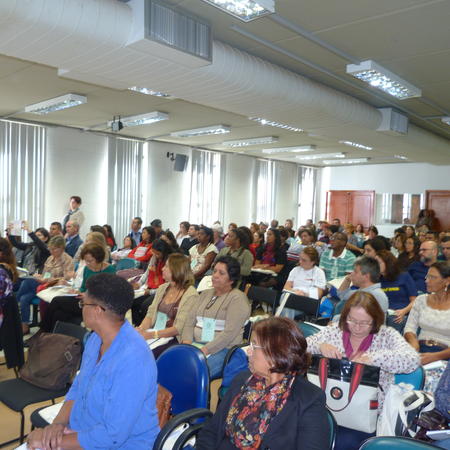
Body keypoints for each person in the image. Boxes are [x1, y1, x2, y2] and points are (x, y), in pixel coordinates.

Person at [27, 273, 159, 450]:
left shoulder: (133, 359)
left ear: (97, 310)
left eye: (83, 303)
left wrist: (50, 442)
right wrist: (56, 426)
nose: (80, 308)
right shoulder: (95, 339)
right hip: (86, 431)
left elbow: (112, 436)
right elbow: (79, 387)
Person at [196, 317, 329, 450]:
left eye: (254, 346)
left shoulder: (309, 399)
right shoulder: (242, 380)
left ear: (276, 354)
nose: (248, 351)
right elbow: (211, 431)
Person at [307, 291, 419, 449]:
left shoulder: (386, 335)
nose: (357, 327)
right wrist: (319, 346)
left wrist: (374, 358)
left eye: (365, 322)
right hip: (328, 406)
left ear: (376, 320)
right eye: (352, 320)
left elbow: (413, 360)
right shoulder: (334, 332)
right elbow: (301, 346)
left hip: (365, 416)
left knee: (345, 443)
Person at [182, 256, 251, 379]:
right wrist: (186, 342)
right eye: (214, 271)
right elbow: (189, 320)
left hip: (223, 348)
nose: (215, 275)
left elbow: (229, 333)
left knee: (193, 375)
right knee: (175, 364)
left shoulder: (238, 299)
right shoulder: (205, 294)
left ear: (232, 279)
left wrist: (205, 350)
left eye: (221, 273)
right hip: (195, 344)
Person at [40, 243, 116, 332]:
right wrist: (77, 291)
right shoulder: (87, 269)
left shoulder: (110, 270)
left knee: (56, 301)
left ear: (99, 259)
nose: (87, 264)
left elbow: (109, 294)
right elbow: (83, 287)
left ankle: (43, 332)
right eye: (86, 261)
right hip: (83, 299)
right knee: (58, 314)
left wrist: (88, 296)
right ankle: (51, 337)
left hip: (95, 304)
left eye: (90, 261)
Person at [137, 253, 199, 358]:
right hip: (155, 332)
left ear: (176, 270)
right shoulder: (163, 288)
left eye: (166, 266)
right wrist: (141, 328)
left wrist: (150, 335)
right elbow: (151, 314)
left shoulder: (191, 294)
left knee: (145, 354)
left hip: (173, 337)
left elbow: (178, 328)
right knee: (131, 345)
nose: (162, 269)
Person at [17, 235, 74, 334]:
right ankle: (25, 325)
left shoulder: (68, 260)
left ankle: (14, 303)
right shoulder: (50, 258)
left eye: (54, 249)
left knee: (27, 282)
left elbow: (66, 279)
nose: (51, 251)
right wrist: (40, 277)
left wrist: (47, 279)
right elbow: (45, 273)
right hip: (44, 286)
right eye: (50, 249)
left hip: (54, 287)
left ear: (61, 248)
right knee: (24, 298)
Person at [404, 261, 450, 365]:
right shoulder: (421, 300)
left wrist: (434, 357)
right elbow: (409, 328)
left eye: (432, 277)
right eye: (427, 276)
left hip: (444, 355)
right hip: (420, 348)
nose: (427, 281)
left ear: (447, 281)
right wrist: (414, 344)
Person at [131, 239, 174, 325]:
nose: (155, 255)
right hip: (151, 288)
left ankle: (147, 326)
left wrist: (150, 292)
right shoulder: (153, 258)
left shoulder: (169, 261)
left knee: (145, 306)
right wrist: (139, 283)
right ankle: (138, 326)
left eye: (157, 253)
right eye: (153, 252)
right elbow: (147, 273)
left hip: (162, 291)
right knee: (133, 303)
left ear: (164, 252)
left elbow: (167, 285)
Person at [375, 250, 417, 332]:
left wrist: (404, 311)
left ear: (387, 263)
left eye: (378, 263)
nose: (375, 266)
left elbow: (415, 300)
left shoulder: (404, 276)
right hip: (381, 313)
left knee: (393, 320)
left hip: (399, 313)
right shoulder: (376, 279)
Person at [281, 248, 326, 319]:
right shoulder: (295, 270)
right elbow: (286, 287)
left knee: (283, 308)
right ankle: (285, 327)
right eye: (300, 259)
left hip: (308, 302)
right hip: (292, 298)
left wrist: (304, 293)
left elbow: (319, 293)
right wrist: (295, 292)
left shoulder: (319, 272)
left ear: (313, 262)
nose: (300, 262)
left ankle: (280, 326)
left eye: (304, 260)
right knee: (286, 303)